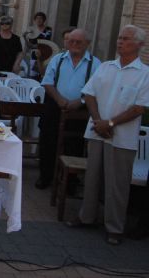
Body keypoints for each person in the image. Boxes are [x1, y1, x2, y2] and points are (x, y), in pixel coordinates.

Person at [67, 25, 149, 246]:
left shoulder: (144, 74)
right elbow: (89, 94)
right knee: (92, 177)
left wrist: (110, 123)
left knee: (117, 183)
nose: (120, 42)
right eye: (120, 37)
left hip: (122, 137)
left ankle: (114, 227)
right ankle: (87, 216)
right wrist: (99, 122)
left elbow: (139, 108)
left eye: (126, 39)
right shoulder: (106, 67)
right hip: (97, 131)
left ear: (139, 45)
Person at [36, 29, 100, 189]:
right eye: (71, 41)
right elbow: (47, 82)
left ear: (87, 44)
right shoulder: (57, 60)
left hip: (79, 110)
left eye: (79, 42)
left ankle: (70, 182)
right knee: (48, 141)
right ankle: (46, 176)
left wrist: (80, 101)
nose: (74, 45)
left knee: (74, 144)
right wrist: (60, 100)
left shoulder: (96, 64)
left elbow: (98, 89)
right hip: (55, 106)